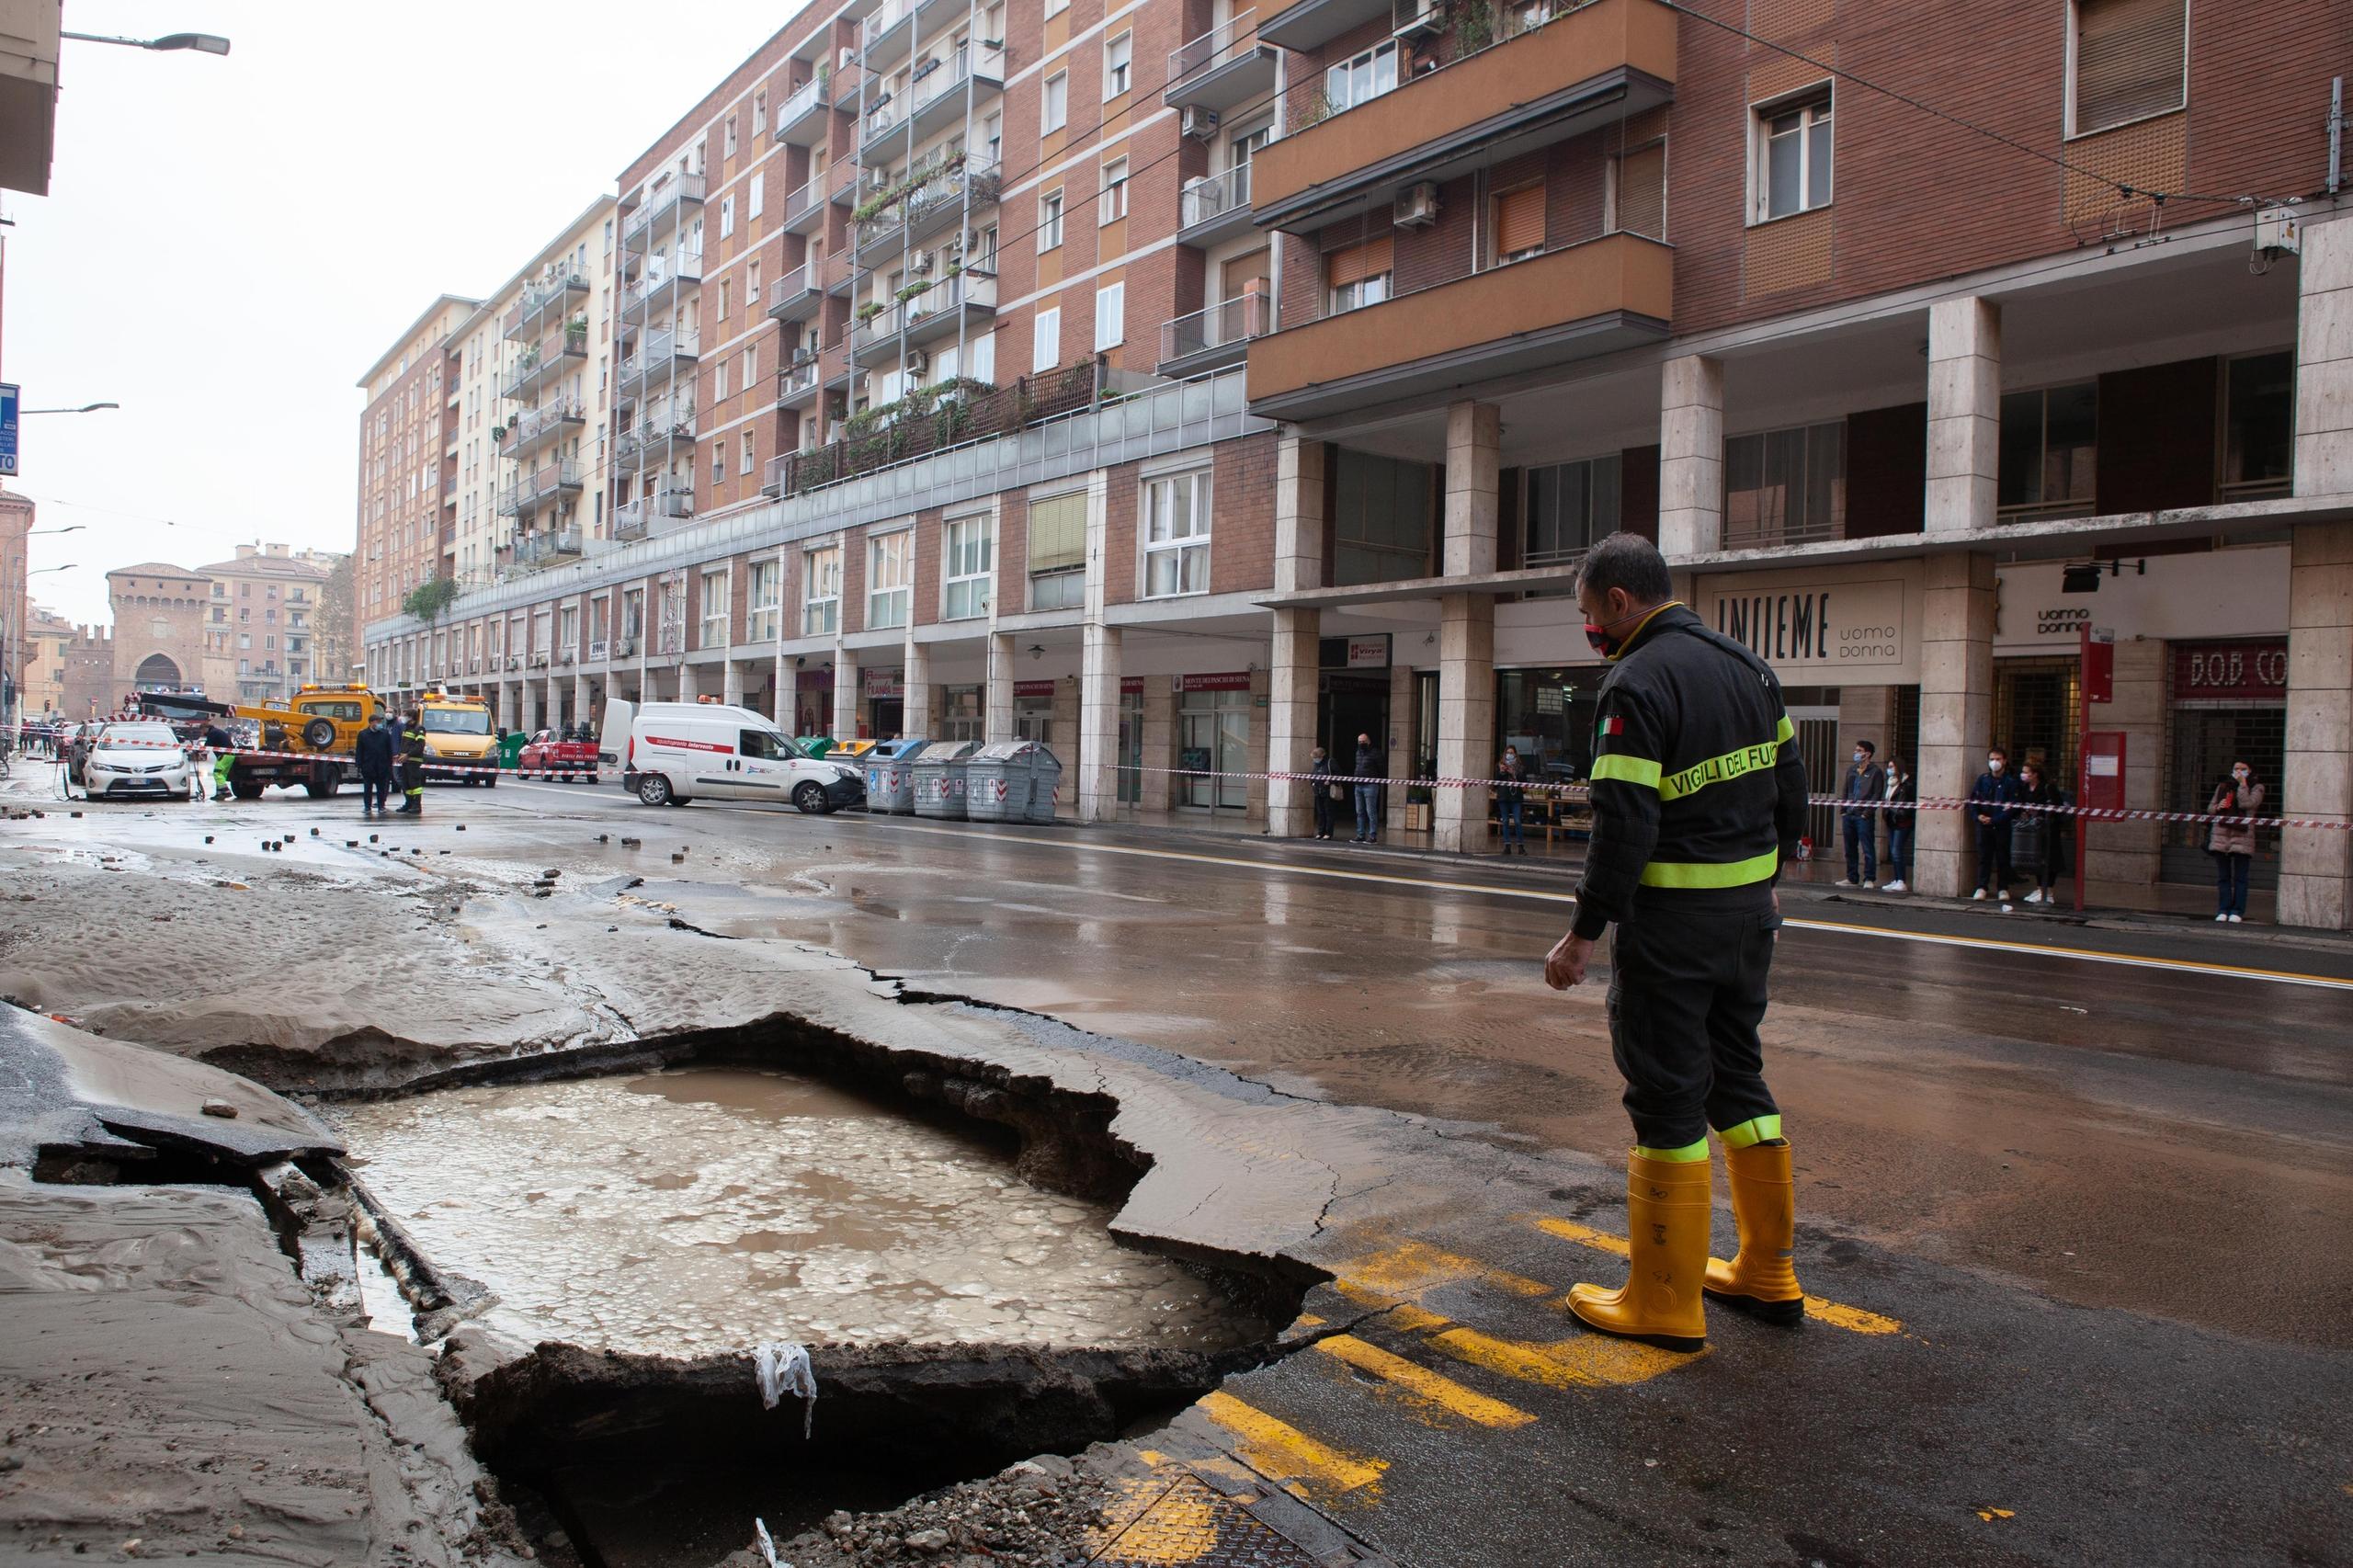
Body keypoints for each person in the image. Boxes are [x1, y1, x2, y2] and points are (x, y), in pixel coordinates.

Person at [1541, 535, 1810, 1351]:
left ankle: (1664, 1301)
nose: (1591, 630)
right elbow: (1791, 787)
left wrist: (1584, 933)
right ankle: (1769, 1271)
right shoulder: (1749, 667)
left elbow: (1624, 822)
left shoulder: (1637, 681)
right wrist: (1768, 878)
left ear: (1620, 602)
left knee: (1666, 1097)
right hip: (1747, 924)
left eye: (1590, 615)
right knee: (1739, 1083)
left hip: (1672, 933)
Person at [2208, 762, 2263, 923]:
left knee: (2241, 877)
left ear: (2250, 771)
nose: (2239, 772)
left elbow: (2247, 804)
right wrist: (2218, 806)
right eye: (2236, 769)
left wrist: (2243, 785)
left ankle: (2237, 911)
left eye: (2243, 769)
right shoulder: (2223, 786)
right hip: (2221, 835)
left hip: (2242, 837)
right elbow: (2210, 809)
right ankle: (2223, 909)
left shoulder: (2257, 787)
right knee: (2223, 877)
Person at [1971, 745, 2021, 909]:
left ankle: (2003, 888)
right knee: (1984, 857)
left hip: (2001, 826)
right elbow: (1973, 801)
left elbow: (2012, 807)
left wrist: (1995, 820)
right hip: (1984, 824)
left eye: (1998, 759)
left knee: (2002, 857)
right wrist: (1978, 816)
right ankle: (1982, 886)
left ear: (2005, 761)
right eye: (1992, 759)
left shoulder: (2011, 782)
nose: (1995, 762)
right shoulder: (1983, 780)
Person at [2012, 760, 2068, 905]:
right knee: (2036, 858)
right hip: (2033, 830)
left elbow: (2057, 807)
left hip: (2048, 829)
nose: (2023, 775)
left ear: (2035, 774)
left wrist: (2040, 811)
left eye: (2026, 772)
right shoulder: (2024, 788)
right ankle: (2039, 888)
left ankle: (2048, 891)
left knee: (2049, 859)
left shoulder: (2048, 788)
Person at [1835, 739, 1886, 888]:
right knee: (1849, 847)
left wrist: (1867, 813)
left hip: (1863, 816)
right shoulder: (1852, 769)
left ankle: (1869, 878)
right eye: (1856, 750)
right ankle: (1851, 877)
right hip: (1849, 814)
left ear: (1867, 754)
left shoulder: (1875, 772)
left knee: (1867, 847)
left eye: (1859, 751)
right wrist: (1843, 810)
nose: (1856, 753)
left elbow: (1876, 795)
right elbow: (1846, 789)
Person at [1880, 756, 1916, 892]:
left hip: (1902, 822)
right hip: (1891, 820)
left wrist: (1898, 813)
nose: (1889, 770)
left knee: (1897, 851)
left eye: (1892, 767)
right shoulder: (1890, 783)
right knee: (1893, 850)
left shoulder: (1907, 785)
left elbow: (1906, 806)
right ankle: (1896, 879)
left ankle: (1901, 880)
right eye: (1888, 767)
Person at [356, 713, 396, 817]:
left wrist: (389, 764)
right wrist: (359, 765)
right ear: (371, 723)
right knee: (367, 788)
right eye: (377, 722)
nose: (379, 724)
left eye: (380, 722)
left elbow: (389, 750)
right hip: (368, 766)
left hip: (382, 766)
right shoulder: (363, 734)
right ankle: (367, 807)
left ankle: (381, 806)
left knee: (381, 788)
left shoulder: (385, 734)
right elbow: (359, 751)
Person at [1495, 746, 1530, 856]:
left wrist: (1514, 773)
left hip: (1516, 798)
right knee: (1505, 821)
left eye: (1512, 753)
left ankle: (1520, 846)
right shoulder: (1500, 765)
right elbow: (1495, 781)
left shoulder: (1520, 767)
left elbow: (1524, 781)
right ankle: (1507, 846)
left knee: (1517, 821)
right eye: (1508, 753)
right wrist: (1502, 772)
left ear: (1515, 755)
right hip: (1504, 797)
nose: (1509, 755)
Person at [1350, 733, 1381, 845]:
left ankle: (1372, 836)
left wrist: (1375, 779)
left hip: (1370, 785)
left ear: (1368, 742)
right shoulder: (1358, 752)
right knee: (1359, 812)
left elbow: (1381, 767)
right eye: (1359, 742)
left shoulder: (1375, 753)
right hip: (1358, 785)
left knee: (1371, 812)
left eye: (1363, 741)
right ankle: (1360, 834)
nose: (1361, 744)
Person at [396, 710, 427, 815]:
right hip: (405, 761)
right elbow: (406, 744)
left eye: (405, 715)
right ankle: (409, 803)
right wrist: (400, 754)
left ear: (411, 717)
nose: (403, 717)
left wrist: (408, 755)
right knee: (406, 783)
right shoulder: (407, 728)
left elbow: (419, 746)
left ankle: (417, 805)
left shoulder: (419, 729)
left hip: (414, 761)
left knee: (415, 784)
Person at [1308, 744, 1338, 841]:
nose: (1315, 760)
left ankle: (1328, 833)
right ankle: (1321, 832)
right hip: (1318, 792)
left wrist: (1330, 781)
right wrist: (1312, 783)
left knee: (1328, 812)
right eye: (1314, 758)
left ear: (1322, 756)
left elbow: (1338, 774)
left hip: (1328, 792)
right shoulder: (1316, 765)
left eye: (1316, 758)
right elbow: (1313, 775)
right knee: (1320, 813)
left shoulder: (1330, 762)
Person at [203, 720, 235, 801]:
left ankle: (225, 792)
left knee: (217, 773)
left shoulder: (212, 733)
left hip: (224, 755)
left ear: (206, 728)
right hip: (230, 755)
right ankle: (219, 794)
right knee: (222, 775)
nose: (202, 733)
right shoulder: (217, 731)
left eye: (202, 730)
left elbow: (207, 746)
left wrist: (198, 751)